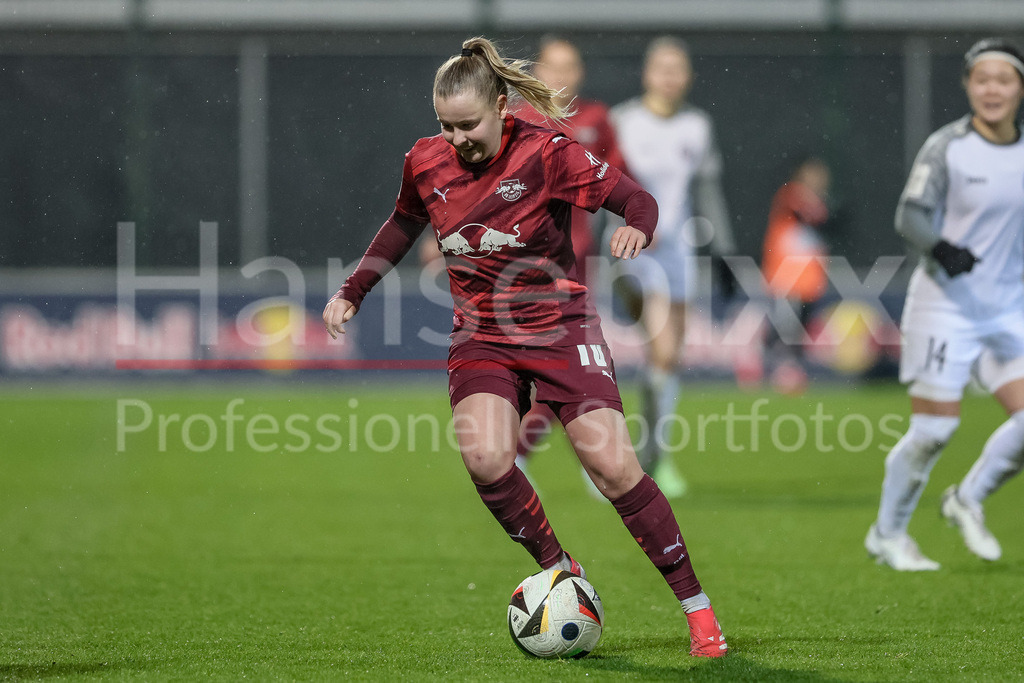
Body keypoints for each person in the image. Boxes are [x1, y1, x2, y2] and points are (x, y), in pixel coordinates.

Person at [323, 37, 728, 656]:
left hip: (560, 326)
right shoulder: (425, 161)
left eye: (468, 124)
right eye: (445, 125)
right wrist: (356, 288)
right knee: (486, 457)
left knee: (615, 469)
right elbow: (404, 222)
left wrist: (638, 229)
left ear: (502, 110)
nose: (456, 138)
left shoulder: (547, 152)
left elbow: (635, 199)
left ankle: (698, 611)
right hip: (482, 334)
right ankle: (562, 567)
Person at [866, 37, 1024, 571]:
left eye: (1003, 79)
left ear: (1019, 87)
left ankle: (968, 498)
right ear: (968, 85)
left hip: (1007, 310)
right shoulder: (948, 146)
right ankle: (887, 534)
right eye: (982, 79)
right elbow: (909, 215)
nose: (992, 89)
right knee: (935, 430)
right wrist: (940, 247)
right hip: (946, 305)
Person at [610, 36, 737, 498]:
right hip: (632, 249)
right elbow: (600, 183)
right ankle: (645, 459)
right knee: (662, 349)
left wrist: (722, 251)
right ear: (648, 74)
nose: (670, 77)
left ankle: (645, 456)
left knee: (668, 358)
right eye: (662, 68)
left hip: (679, 253)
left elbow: (706, 191)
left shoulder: (697, 127)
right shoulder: (622, 122)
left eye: (678, 69)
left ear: (688, 77)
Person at [511, 35, 628, 494]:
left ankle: (551, 457)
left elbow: (618, 179)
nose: (559, 76)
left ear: (579, 73)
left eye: (568, 67)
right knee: (564, 366)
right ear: (536, 73)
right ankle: (591, 458)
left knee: (573, 364)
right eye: (551, 66)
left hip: (580, 264)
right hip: (522, 268)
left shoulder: (596, 120)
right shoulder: (516, 119)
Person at [761, 155, 831, 394]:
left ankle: (790, 373)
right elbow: (809, 217)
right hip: (787, 278)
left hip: (809, 282)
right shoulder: (792, 195)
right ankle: (778, 374)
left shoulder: (818, 203)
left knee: (798, 331)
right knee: (784, 330)